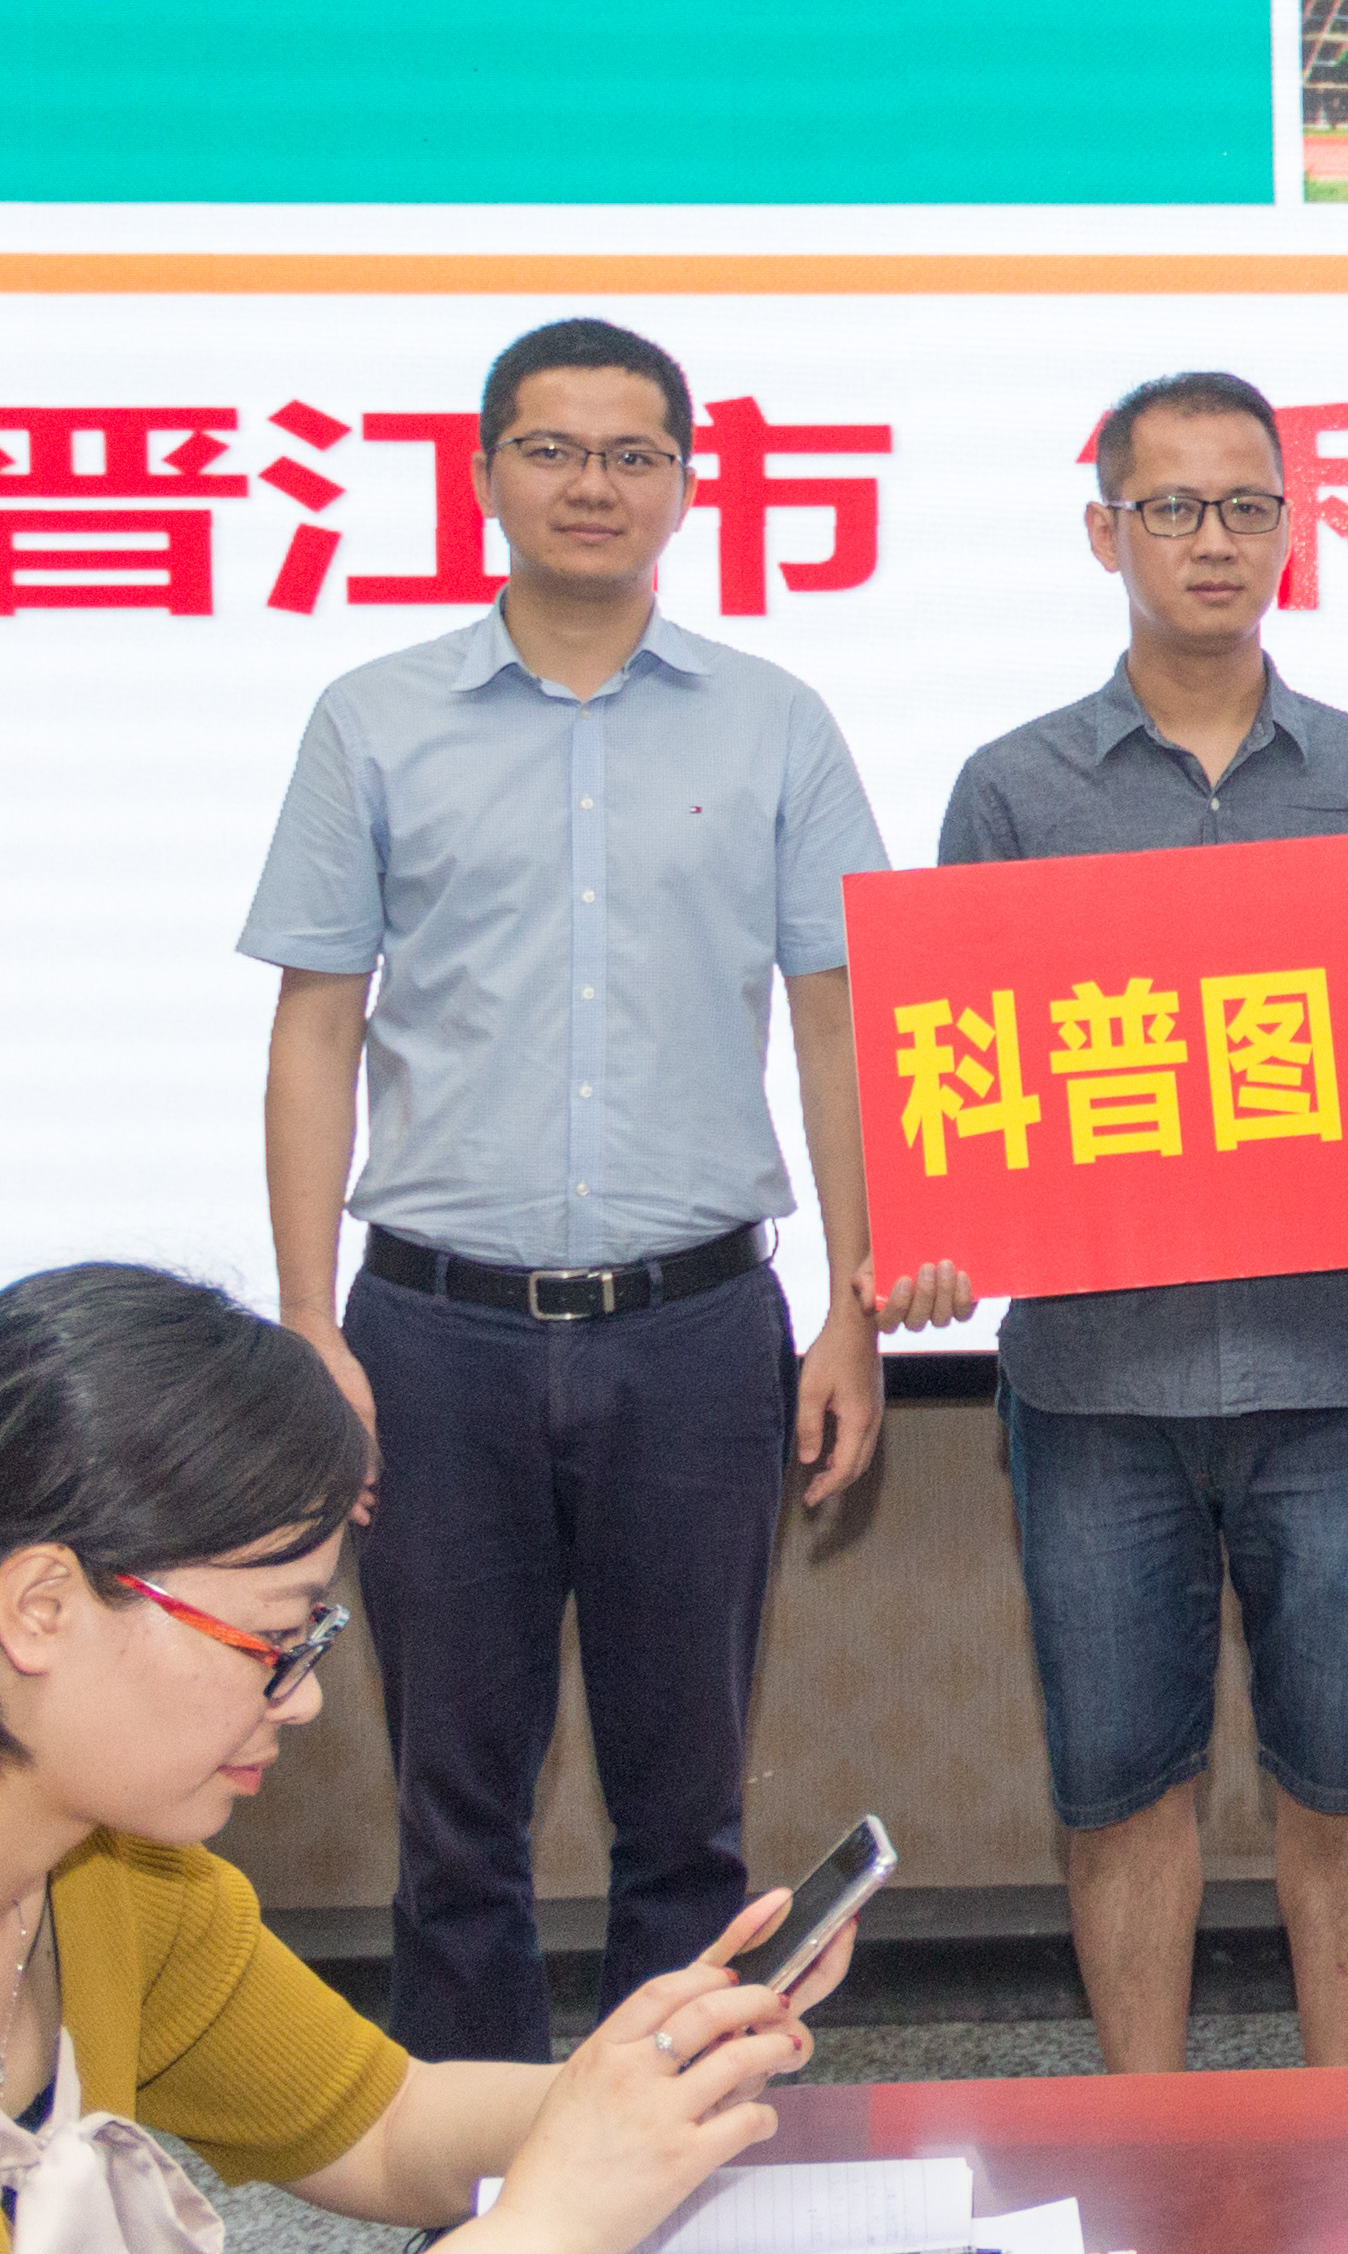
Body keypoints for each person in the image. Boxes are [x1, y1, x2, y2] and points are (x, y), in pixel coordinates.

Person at [242, 316, 897, 2062]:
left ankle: (668, 2152)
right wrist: (304, 1317)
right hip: (431, 1332)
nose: (591, 483)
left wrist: (851, 1304)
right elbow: (317, 1025)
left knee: (688, 1817)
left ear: (685, 483)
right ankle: (476, 2172)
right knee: (455, 1819)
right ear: (484, 474)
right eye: (551, 448)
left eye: (631, 453)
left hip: (696, 1327)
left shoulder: (773, 722)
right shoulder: (374, 718)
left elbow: (838, 1023)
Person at [894, 370, 1348, 2074]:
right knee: (1121, 1786)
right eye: (1173, 506)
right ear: (1104, 531)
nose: (1215, 538)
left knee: (1342, 1778)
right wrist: (936, 1226)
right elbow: (956, 1068)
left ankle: (1345, 2128)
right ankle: (1146, 2134)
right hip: (1096, 1388)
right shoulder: (1014, 790)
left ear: (1291, 527)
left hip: (1335, 1370)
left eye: (1248, 504)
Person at [0, 1262, 852, 2254]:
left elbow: (386, 2124)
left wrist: (647, 2074)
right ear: (41, 1608)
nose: (303, 1695)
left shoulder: (119, 1880)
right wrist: (548, 2224)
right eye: (270, 1639)